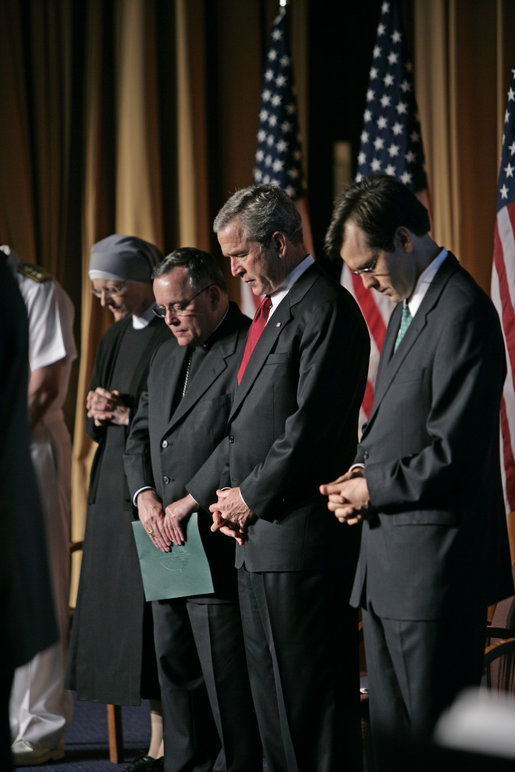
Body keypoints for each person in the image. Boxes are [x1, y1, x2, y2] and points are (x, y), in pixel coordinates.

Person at [320, 174, 515, 771]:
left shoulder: (460, 310)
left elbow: (453, 452)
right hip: (390, 571)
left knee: (439, 749)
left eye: (368, 263)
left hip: (434, 574)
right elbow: (394, 427)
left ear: (405, 238)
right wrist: (359, 471)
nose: (363, 280)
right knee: (395, 746)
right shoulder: (411, 309)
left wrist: (370, 488)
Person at [185, 185, 370, 771]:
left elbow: (310, 430)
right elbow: (243, 428)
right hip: (259, 542)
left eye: (240, 255)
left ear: (281, 242)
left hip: (302, 543)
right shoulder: (268, 316)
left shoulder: (325, 308)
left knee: (310, 711)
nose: (234, 269)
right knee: (272, 709)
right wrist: (226, 500)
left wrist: (248, 497)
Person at [124, 247, 262, 772]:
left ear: (212, 294)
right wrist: (145, 498)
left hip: (212, 529)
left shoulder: (252, 343)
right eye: (162, 310)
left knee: (223, 676)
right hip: (161, 533)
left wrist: (189, 500)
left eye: (179, 307)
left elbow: (243, 439)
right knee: (174, 667)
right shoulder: (162, 353)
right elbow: (139, 436)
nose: (170, 319)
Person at [66, 234, 172, 771]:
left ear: (139, 282)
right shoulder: (110, 338)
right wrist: (96, 408)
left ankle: (164, 739)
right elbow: (92, 428)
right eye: (98, 290)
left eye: (112, 289)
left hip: (153, 492)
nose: (104, 300)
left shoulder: (170, 331)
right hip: (110, 495)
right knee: (117, 619)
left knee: (157, 621)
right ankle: (147, 741)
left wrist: (132, 415)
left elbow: (177, 417)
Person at [3, 245, 77, 766]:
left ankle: (40, 725)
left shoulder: (34, 286)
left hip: (25, 446)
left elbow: (44, 387)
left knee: (38, 582)